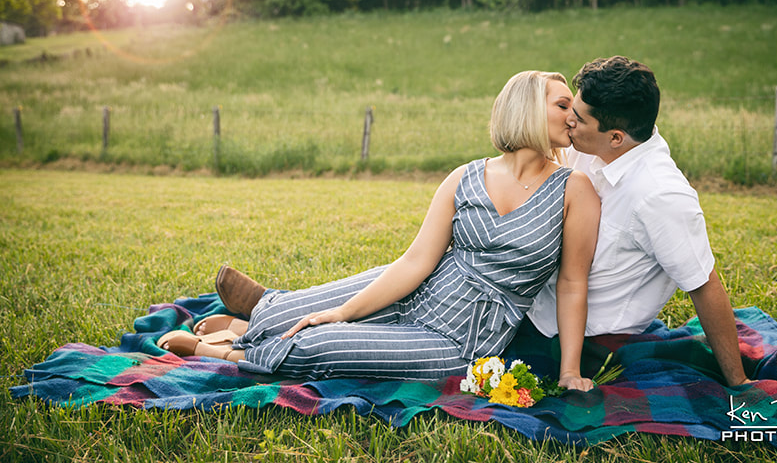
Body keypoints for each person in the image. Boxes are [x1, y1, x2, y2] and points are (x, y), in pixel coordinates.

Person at [158, 70, 601, 391]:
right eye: (562, 106)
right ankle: (256, 320)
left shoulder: (573, 190)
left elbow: (572, 283)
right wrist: (345, 310)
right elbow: (415, 262)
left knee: (319, 345)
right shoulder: (465, 177)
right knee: (291, 317)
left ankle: (226, 351)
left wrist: (569, 371)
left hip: (459, 336)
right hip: (421, 288)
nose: (572, 117)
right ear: (524, 108)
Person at [515, 56, 774, 387]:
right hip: (532, 307)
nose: (568, 122)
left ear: (616, 137)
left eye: (578, 119)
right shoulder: (586, 144)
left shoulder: (659, 196)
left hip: (585, 343)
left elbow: (704, 284)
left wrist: (738, 382)